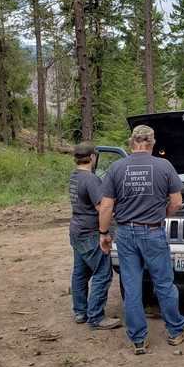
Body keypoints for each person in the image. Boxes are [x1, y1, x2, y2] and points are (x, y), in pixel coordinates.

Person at [98, 125, 184, 355]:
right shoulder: (164, 166)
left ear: (132, 144)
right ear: (151, 144)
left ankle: (138, 340)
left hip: (125, 234)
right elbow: (177, 201)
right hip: (152, 232)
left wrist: (104, 233)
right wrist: (163, 214)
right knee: (163, 283)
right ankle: (176, 330)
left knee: (132, 287)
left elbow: (106, 206)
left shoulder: (116, 167)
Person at [68, 141, 121, 330]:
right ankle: (96, 317)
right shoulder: (90, 179)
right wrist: (117, 214)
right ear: (92, 157)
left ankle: (80, 312)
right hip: (90, 234)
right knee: (103, 273)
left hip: (76, 231)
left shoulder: (74, 176)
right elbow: (101, 208)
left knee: (80, 273)